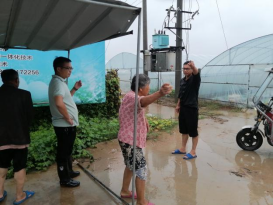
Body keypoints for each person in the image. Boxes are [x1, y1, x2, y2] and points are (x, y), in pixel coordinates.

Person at [118, 74, 172, 205]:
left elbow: (137, 108)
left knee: (131, 166)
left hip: (126, 139)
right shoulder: (134, 97)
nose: (149, 88)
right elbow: (142, 102)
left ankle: (125, 191)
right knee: (141, 169)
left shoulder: (129, 95)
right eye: (148, 86)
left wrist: (144, 119)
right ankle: (141, 202)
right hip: (130, 141)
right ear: (141, 88)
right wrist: (160, 93)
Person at [0, 69, 35, 204]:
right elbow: (30, 117)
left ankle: (0, 193)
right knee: (19, 167)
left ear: (3, 80)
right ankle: (20, 196)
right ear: (16, 80)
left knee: (1, 165)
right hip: (20, 139)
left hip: (0, 140)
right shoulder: (25, 94)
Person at [48, 57, 82, 187]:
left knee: (67, 150)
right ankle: (64, 179)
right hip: (64, 125)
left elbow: (67, 99)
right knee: (63, 152)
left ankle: (69, 172)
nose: (70, 71)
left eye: (71, 68)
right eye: (68, 68)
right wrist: (68, 118)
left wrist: (74, 88)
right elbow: (59, 103)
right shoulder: (57, 83)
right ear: (59, 68)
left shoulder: (60, 82)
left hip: (66, 125)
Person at [172, 60, 201, 160]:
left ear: (191, 69)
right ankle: (183, 149)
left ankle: (193, 152)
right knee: (184, 130)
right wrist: (178, 105)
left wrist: (193, 66)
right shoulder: (182, 80)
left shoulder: (195, 79)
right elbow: (181, 94)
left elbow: (197, 73)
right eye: (184, 69)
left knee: (193, 131)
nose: (185, 70)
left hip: (191, 108)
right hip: (183, 108)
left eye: (187, 69)